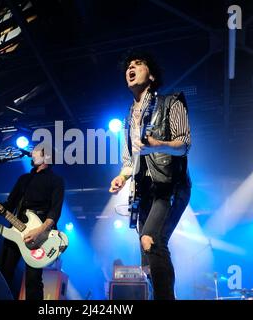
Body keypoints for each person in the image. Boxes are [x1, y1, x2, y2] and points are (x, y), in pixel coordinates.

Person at [109, 50, 192, 300]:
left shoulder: (171, 102)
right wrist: (122, 177)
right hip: (143, 192)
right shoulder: (127, 119)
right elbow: (128, 161)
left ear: (152, 75)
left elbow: (185, 143)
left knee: (151, 239)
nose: (131, 68)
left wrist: (158, 145)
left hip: (169, 186)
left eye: (138, 64)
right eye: (128, 66)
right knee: (147, 259)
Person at [0, 144, 64, 300]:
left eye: (36, 151)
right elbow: (8, 206)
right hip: (16, 229)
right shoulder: (24, 179)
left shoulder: (56, 181)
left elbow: (55, 211)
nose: (31, 153)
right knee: (4, 273)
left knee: (33, 280)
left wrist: (40, 231)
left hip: (40, 235)